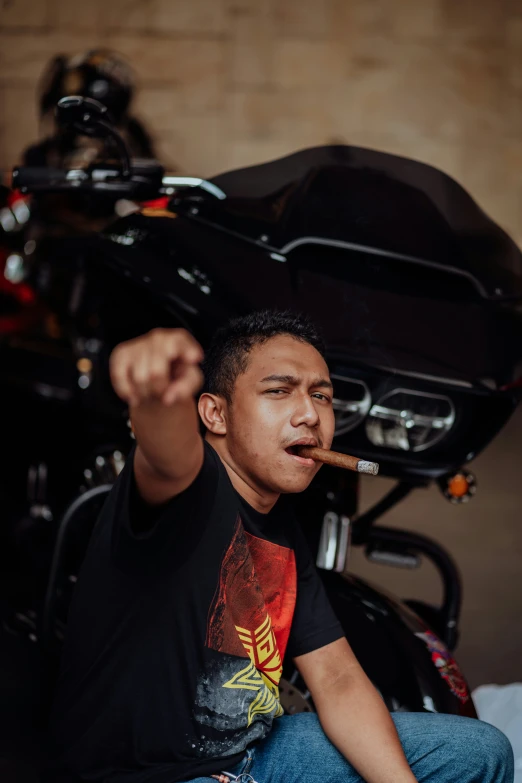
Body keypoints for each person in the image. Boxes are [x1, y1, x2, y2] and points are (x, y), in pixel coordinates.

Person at [44, 310, 514, 783]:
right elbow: (166, 456)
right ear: (214, 413)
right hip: (151, 776)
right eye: (278, 390)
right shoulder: (194, 486)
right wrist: (157, 398)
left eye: (321, 396)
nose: (310, 413)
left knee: (481, 750)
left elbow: (337, 678)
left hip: (253, 759)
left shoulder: (281, 532)